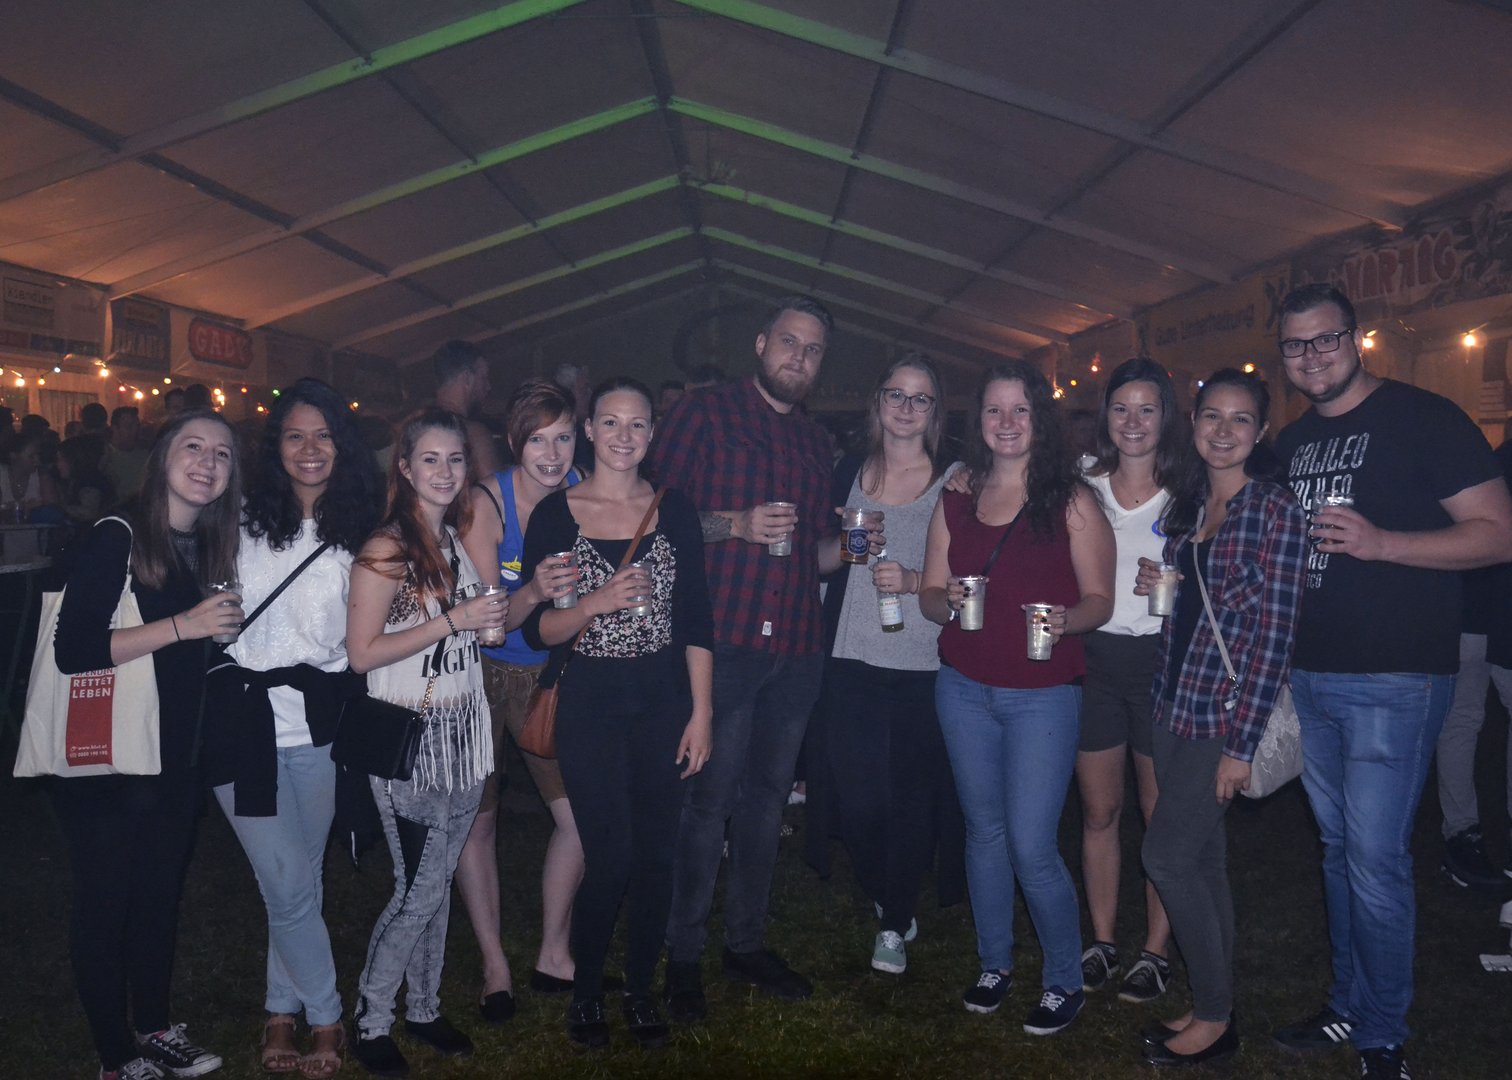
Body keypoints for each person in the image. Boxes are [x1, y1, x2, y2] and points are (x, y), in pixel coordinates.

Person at [1270, 283, 1512, 1080]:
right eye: (1296, 345)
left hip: (1396, 676)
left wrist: (1384, 544)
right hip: (1312, 675)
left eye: (1326, 339)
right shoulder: (1294, 442)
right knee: (1339, 852)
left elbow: (1497, 534)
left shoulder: (1423, 418)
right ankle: (1347, 1005)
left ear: (1357, 338)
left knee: (1374, 860)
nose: (1312, 356)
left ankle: (1382, 1036)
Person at [650, 295, 838, 1019]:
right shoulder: (703, 414)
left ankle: (746, 943)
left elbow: (813, 552)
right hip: (724, 642)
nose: (799, 357)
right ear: (761, 344)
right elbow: (657, 520)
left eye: (813, 350)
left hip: (796, 644)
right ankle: (683, 953)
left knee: (767, 802)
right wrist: (735, 524)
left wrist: (855, 547)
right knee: (708, 802)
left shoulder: (815, 442)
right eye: (789, 341)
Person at [918, 359, 1114, 1036]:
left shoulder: (1072, 499)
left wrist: (1066, 620)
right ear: (978, 420)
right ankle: (994, 963)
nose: (1006, 423)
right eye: (994, 410)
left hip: (1043, 694)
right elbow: (929, 593)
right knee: (983, 832)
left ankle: (1063, 979)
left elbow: (1100, 599)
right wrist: (946, 600)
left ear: (1040, 420)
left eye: (1020, 410)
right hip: (963, 687)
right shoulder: (958, 493)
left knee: (1031, 844)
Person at [519, 377, 714, 1048]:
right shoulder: (556, 514)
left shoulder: (674, 509)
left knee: (658, 854)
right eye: (610, 422)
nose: (623, 435)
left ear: (652, 434)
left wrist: (702, 713)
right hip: (591, 704)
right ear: (590, 430)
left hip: (663, 702)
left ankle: (639, 990)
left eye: (637, 424)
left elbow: (696, 621)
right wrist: (596, 603)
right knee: (610, 854)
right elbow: (538, 631)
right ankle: (585, 994)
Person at [52, 408, 244, 1080]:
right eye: (193, 447)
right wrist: (186, 625)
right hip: (109, 758)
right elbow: (74, 649)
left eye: (221, 453)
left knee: (160, 897)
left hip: (173, 756)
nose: (207, 462)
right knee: (107, 904)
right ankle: (115, 1055)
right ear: (162, 457)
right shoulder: (118, 534)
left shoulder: (209, 546)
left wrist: (213, 634)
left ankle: (157, 1029)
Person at [204, 379, 382, 1079]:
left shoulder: (364, 533)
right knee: (285, 879)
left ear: (343, 445)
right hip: (240, 721)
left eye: (323, 435)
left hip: (318, 724)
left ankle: (280, 1007)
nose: (310, 450)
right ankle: (328, 1017)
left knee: (300, 879)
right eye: (294, 435)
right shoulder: (238, 518)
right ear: (274, 446)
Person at [1132, 369, 1307, 1067]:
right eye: (1212, 416)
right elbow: (1201, 610)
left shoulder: (1273, 509)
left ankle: (1213, 1017)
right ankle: (1215, 1004)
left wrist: (1242, 744)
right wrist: (1160, 588)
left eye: (1240, 419)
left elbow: (1275, 637)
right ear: (1194, 422)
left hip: (1223, 716)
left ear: (1260, 431)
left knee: (1166, 857)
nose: (1224, 431)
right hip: (1173, 703)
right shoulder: (1191, 501)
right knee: (1203, 860)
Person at [345, 409, 507, 1078]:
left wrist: (485, 623)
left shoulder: (455, 540)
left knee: (437, 883)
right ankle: (370, 1018)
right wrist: (453, 620)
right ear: (406, 469)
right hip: (408, 739)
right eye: (431, 459)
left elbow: (472, 628)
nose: (445, 471)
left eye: (456, 459)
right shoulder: (387, 548)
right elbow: (361, 654)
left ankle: (424, 1007)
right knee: (416, 889)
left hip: (464, 733)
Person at [818, 354, 959, 975]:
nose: (906, 407)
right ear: (877, 401)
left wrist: (912, 579)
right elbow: (814, 559)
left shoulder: (957, 480)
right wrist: (846, 552)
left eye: (919, 398)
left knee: (908, 799)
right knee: (857, 801)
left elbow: (971, 579)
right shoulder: (846, 471)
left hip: (922, 662)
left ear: (934, 410)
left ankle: (895, 921)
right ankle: (887, 888)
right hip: (848, 656)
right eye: (895, 394)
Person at [457, 380, 587, 1020]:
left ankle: (554, 954)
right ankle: (495, 967)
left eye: (563, 437)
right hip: (482, 675)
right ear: (515, 442)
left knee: (581, 819)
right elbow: (490, 622)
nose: (553, 454)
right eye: (538, 439)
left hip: (552, 676)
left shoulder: (585, 489)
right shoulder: (487, 502)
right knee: (478, 822)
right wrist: (533, 590)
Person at [1074, 358, 1183, 1003]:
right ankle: (1103, 940)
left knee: (1158, 815)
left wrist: (1177, 583)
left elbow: (1221, 574)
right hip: (1095, 659)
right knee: (1099, 811)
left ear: (1166, 416)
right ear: (1105, 415)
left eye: (1147, 408)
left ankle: (1156, 951)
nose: (1133, 421)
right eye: (1121, 408)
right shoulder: (1082, 483)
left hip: (1161, 663)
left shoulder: (1190, 488)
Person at [1434, 426, 1512, 889]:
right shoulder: (1494, 461)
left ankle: (1462, 833)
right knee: (1462, 721)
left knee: (1461, 722)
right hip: (1478, 614)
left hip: (1475, 612)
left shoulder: (1488, 459)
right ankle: (1462, 834)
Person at [430, 341, 501, 476]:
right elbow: (495, 487)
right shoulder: (474, 435)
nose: (488, 386)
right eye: (483, 378)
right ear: (467, 378)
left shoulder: (410, 430)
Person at [56, 435, 116, 526]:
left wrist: (58, 509)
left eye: (61, 459)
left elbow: (88, 512)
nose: (58, 465)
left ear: (74, 460)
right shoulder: (77, 481)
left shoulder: (91, 483)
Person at [1, 429, 61, 516]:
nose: (37, 460)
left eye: (38, 455)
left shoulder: (42, 476)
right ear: (13, 456)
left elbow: (53, 509)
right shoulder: (2, 475)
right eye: (31, 456)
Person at [103, 407, 150, 503]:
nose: (135, 431)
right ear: (114, 428)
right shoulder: (104, 458)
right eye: (129, 426)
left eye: (137, 426)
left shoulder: (146, 456)